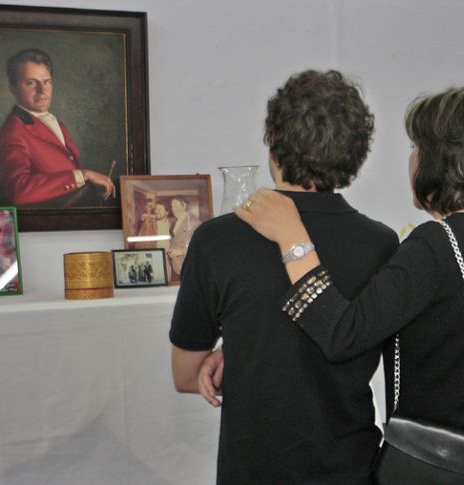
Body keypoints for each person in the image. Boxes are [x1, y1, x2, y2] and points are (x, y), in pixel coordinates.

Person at [225, 85, 464, 485]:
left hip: (451, 469)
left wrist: (292, 238)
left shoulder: (434, 246)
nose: (412, 159)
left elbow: (342, 333)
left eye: (418, 147)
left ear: (440, 161)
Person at [169, 70, 399, 484]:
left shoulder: (215, 242)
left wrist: (239, 352)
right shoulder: (382, 245)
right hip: (351, 468)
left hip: (253, 470)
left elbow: (187, 376)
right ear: (355, 153)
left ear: (274, 142)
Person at [0, 48, 116, 207]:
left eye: (46, 82)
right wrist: (84, 175)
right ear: (13, 89)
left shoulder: (58, 124)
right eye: (31, 83)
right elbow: (19, 191)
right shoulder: (12, 134)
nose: (42, 91)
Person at [166, 197, 203, 281]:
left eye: (176, 206)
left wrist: (181, 251)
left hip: (188, 266)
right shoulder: (175, 221)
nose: (173, 209)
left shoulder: (194, 222)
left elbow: (200, 245)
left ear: (184, 205)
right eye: (172, 207)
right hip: (175, 265)